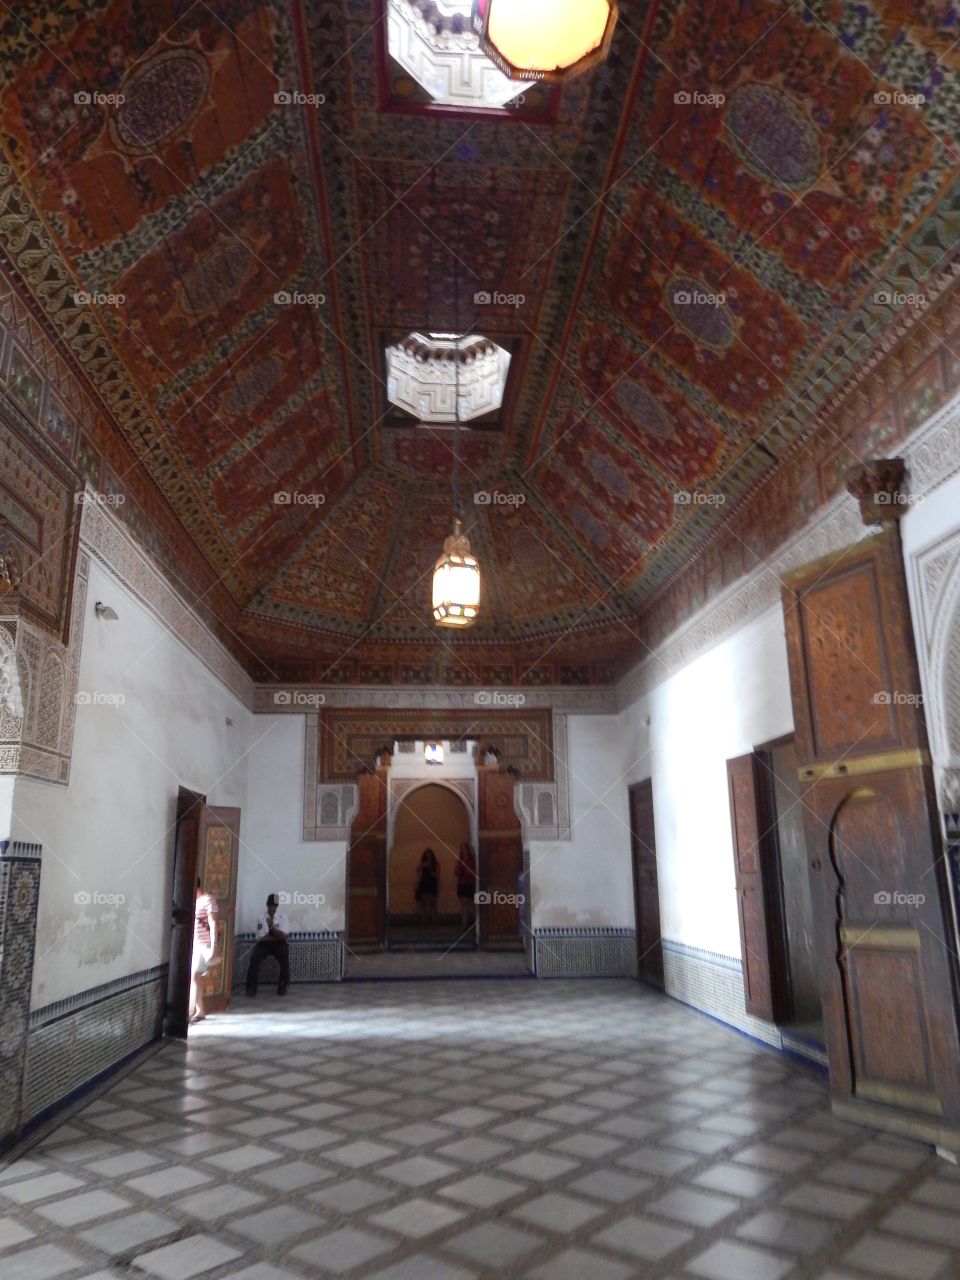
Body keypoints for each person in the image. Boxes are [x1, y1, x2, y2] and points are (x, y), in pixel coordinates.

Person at [246, 893, 290, 996]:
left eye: (274, 906)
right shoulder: (261, 918)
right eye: (270, 906)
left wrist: (272, 928)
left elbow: (285, 936)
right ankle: (251, 986)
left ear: (277, 906)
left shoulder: (283, 916)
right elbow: (260, 938)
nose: (272, 909)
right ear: (267, 905)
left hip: (279, 944)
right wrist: (276, 935)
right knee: (255, 957)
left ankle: (283, 984)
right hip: (265, 944)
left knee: (284, 955)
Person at [190, 878, 218, 1025]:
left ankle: (189, 1013)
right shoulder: (191, 902)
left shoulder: (208, 900)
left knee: (195, 975)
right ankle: (200, 1011)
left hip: (204, 945)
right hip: (194, 944)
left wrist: (214, 945)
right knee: (196, 978)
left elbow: (213, 923)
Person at [415, 849, 439, 928]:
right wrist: (422, 865)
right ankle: (423, 921)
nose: (428, 856)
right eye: (427, 855)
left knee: (433, 904)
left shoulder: (435, 864)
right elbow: (417, 870)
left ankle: (434, 922)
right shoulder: (423, 863)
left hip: (432, 883)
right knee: (423, 903)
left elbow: (437, 875)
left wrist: (432, 870)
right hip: (424, 883)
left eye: (429, 855)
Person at [456, 842, 477, 931]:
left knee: (471, 904)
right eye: (462, 849)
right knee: (463, 904)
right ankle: (464, 924)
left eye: (464, 849)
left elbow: (473, 871)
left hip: (470, 883)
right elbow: (456, 871)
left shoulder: (472, 861)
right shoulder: (460, 860)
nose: (463, 851)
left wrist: (467, 870)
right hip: (462, 883)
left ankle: (474, 923)